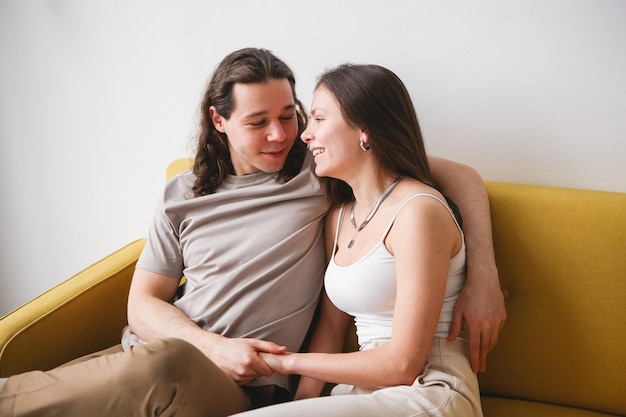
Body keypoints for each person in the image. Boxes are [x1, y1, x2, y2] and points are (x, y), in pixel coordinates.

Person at [0, 48, 504, 417]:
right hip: (159, 351)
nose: (282, 135)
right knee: (87, 379)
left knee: (158, 369)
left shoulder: (320, 171)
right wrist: (212, 346)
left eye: (291, 116)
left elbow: (454, 177)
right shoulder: (183, 192)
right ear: (218, 120)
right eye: (259, 121)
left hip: (236, 379)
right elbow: (143, 305)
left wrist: (483, 275)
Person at [232, 63, 485, 416]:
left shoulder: (417, 211)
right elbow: (331, 329)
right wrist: (303, 401)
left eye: (319, 120)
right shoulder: (339, 217)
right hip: (362, 394)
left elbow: (403, 364)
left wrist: (288, 363)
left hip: (428, 391)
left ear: (364, 130)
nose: (306, 135)